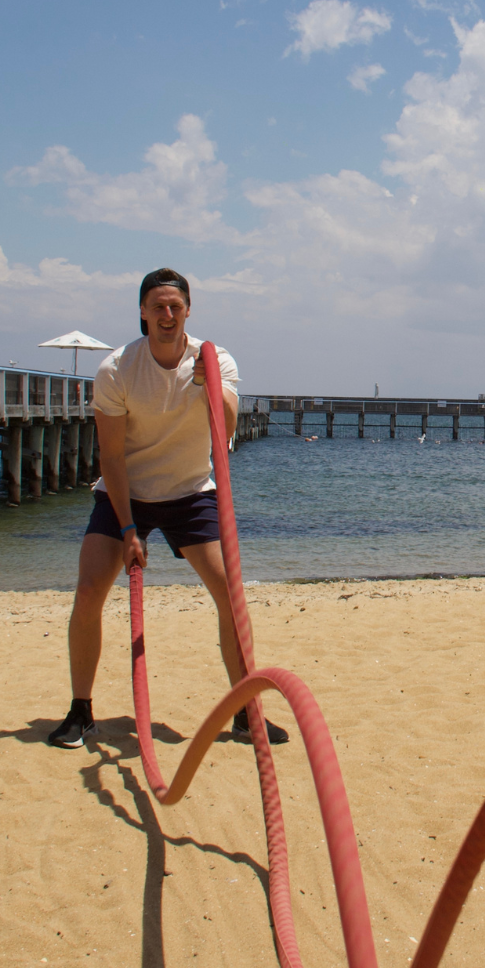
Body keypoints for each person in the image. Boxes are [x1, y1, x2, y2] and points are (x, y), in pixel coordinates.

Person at [47, 268, 288, 749]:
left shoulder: (215, 360)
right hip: (127, 491)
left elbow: (227, 431)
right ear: (141, 312)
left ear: (188, 311)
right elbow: (111, 457)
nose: (167, 314)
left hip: (191, 491)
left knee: (230, 597)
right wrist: (129, 527)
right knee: (91, 586)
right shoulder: (117, 369)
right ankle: (81, 709)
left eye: (175, 306)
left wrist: (210, 384)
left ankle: (245, 711)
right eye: (157, 306)